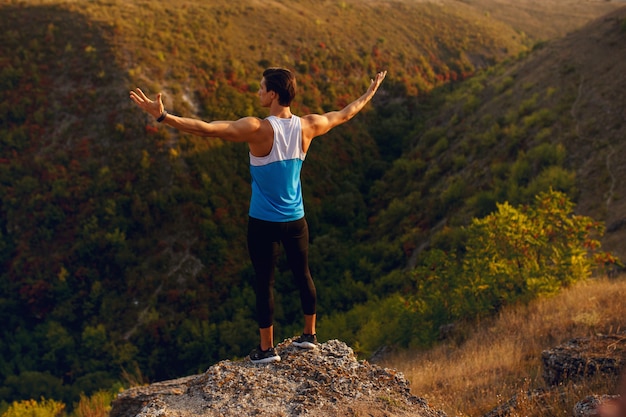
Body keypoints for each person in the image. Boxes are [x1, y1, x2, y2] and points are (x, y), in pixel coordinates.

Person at [130, 67, 387, 364]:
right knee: (303, 274)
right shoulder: (309, 125)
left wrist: (163, 117)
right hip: (296, 220)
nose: (258, 92)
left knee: (265, 282)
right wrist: (370, 92)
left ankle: (267, 350)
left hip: (264, 222)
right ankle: (310, 337)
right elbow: (345, 113)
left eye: (261, 88)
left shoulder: (258, 128)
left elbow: (207, 128)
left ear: (273, 93)